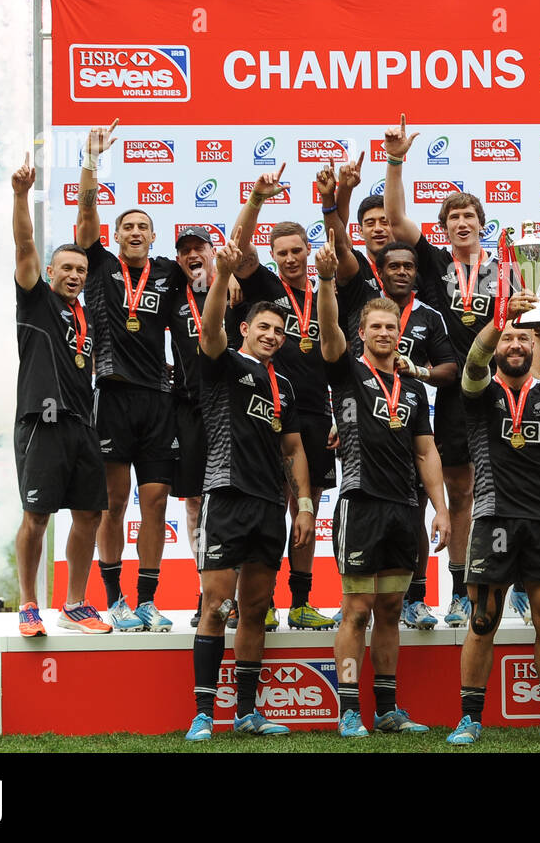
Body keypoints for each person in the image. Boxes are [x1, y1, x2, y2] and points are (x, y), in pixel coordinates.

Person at [314, 231, 450, 736]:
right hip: (361, 503)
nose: (386, 332)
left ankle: (388, 708)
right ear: (363, 333)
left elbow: (426, 450)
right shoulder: (346, 371)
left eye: (392, 326)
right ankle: (349, 707)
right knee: (357, 609)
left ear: (400, 332)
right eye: (376, 326)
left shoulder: (413, 387)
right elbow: (328, 335)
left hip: (404, 508)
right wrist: (327, 283)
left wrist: (441, 508)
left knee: (392, 607)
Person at [447, 293, 540, 746]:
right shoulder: (480, 391)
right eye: (508, 338)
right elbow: (473, 362)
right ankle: (470, 717)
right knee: (482, 619)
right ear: (497, 345)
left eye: (523, 338)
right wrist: (501, 318)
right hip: (494, 520)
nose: (515, 344)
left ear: (534, 348)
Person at [319, 159, 458, 629]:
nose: (400, 271)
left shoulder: (430, 314)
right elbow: (338, 245)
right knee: (364, 502)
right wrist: (332, 200)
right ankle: (352, 600)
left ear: (416, 273)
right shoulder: (359, 290)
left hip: (410, 421)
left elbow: (451, 369)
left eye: (408, 267)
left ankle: (416, 595)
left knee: (415, 507)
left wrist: (414, 370)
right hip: (361, 423)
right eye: (391, 265)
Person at [186, 229, 313, 741]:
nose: (272, 335)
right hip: (226, 495)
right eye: (264, 327)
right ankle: (202, 713)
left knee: (256, 609)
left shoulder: (283, 384)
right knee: (215, 605)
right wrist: (221, 274)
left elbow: (294, 450)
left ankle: (245, 710)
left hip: (268, 507)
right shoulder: (222, 361)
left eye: (279, 330)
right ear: (246, 328)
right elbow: (210, 324)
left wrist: (303, 504)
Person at [382, 114, 507, 629]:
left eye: (469, 216)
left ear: (482, 224)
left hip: (493, 389)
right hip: (443, 391)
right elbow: (396, 220)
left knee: (478, 494)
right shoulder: (432, 262)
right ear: (444, 226)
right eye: (452, 216)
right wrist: (395, 161)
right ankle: (437, 593)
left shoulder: (506, 266)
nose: (461, 222)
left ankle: (479, 588)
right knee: (441, 492)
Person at [76, 118, 182, 632]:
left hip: (158, 399)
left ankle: (146, 599)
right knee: (115, 502)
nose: (135, 233)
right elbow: (87, 214)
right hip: (113, 394)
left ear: (153, 235)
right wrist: (91, 162)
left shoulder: (168, 272)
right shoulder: (97, 265)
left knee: (157, 501)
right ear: (115, 236)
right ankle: (114, 598)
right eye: (127, 227)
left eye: (143, 227)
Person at [228, 173, 337, 630]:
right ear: (273, 256)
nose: (291, 258)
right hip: (264, 409)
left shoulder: (326, 289)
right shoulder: (266, 288)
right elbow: (238, 247)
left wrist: (338, 411)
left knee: (303, 508)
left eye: (297, 251)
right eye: (283, 253)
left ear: (308, 251)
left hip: (313, 415)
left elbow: (342, 353)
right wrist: (254, 198)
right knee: (264, 503)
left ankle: (300, 602)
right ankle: (260, 600)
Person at [11, 153, 111, 637]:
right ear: (49, 270)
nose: (74, 275)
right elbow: (25, 242)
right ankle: (29, 604)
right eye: (66, 267)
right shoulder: (35, 299)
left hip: (80, 424)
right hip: (41, 422)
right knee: (37, 516)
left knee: (89, 513)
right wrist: (21, 195)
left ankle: (75, 603)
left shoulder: (86, 316)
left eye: (81, 270)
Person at [167, 227, 257, 630]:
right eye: (184, 251)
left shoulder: (234, 288)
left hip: (233, 410)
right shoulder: (170, 288)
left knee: (233, 501)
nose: (191, 255)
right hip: (188, 409)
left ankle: (235, 596)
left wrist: (230, 272)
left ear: (212, 251)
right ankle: (207, 592)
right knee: (194, 505)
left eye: (198, 248)